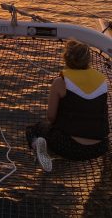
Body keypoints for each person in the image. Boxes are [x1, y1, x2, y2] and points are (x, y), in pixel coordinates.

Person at [26, 39, 109, 172]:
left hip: (70, 147)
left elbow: (51, 117)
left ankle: (39, 147)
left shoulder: (60, 82)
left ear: (67, 59)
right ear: (88, 60)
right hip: (100, 147)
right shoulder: (103, 82)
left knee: (33, 129)